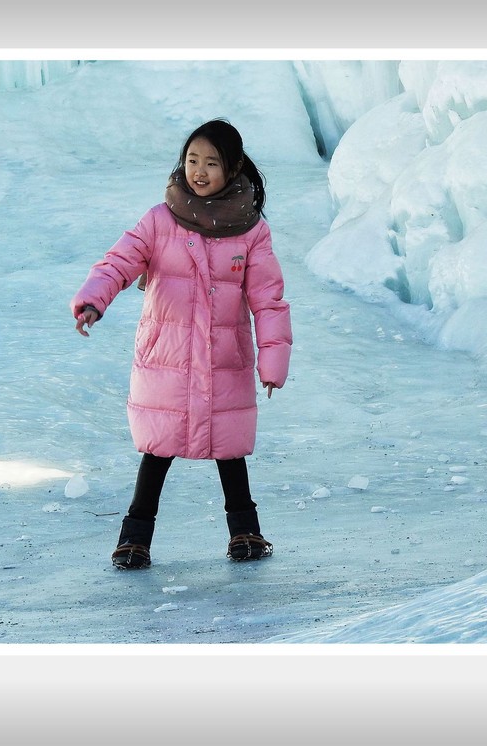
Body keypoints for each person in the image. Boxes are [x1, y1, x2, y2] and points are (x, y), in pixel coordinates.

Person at [70, 119, 292, 570]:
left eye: (212, 163)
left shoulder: (250, 231)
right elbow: (120, 261)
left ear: (232, 169)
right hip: (167, 358)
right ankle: (134, 539)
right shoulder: (159, 220)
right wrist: (94, 300)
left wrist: (273, 360)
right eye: (192, 160)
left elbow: (268, 300)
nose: (199, 171)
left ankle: (245, 532)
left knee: (229, 449)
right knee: (157, 449)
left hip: (223, 360)